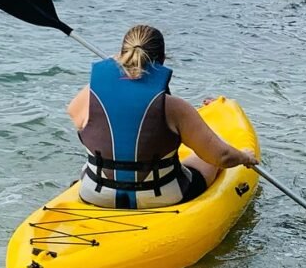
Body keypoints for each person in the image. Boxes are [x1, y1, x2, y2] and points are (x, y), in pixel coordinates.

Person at [66, 24, 257, 210]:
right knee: (213, 152)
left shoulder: (89, 96)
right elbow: (222, 157)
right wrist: (244, 157)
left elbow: (76, 116)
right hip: (161, 197)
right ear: (163, 59)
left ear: (121, 55)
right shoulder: (175, 107)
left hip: (96, 193)